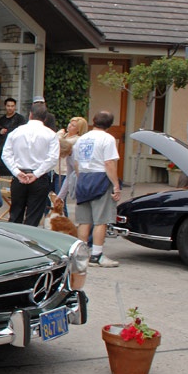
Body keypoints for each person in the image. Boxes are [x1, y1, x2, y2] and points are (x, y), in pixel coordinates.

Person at [73, 111, 121, 268]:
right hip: (100, 178)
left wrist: (80, 179)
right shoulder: (108, 139)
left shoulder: (82, 139)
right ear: (110, 124)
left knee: (84, 221)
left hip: (84, 178)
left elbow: (76, 164)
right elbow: (109, 163)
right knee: (101, 220)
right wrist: (116, 184)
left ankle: (81, 255)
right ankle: (97, 255)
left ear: (94, 121)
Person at [1, 103, 59, 226]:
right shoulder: (51, 134)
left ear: (30, 115)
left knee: (15, 213)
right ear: (45, 118)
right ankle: (27, 241)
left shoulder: (16, 132)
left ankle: (12, 240)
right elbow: (53, 158)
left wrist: (16, 172)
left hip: (19, 175)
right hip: (39, 177)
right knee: (34, 215)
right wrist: (36, 174)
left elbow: (5, 154)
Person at [54, 116, 88, 214]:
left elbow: (58, 142)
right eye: (70, 123)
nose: (69, 126)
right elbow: (69, 177)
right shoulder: (69, 156)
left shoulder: (77, 141)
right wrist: (60, 196)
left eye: (73, 125)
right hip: (60, 172)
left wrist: (59, 134)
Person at [0, 97, 27, 176]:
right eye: (8, 106)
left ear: (15, 107)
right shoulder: (2, 119)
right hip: (2, 148)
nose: (10, 108)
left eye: (12, 106)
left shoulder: (20, 119)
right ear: (5, 106)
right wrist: (0, 131)